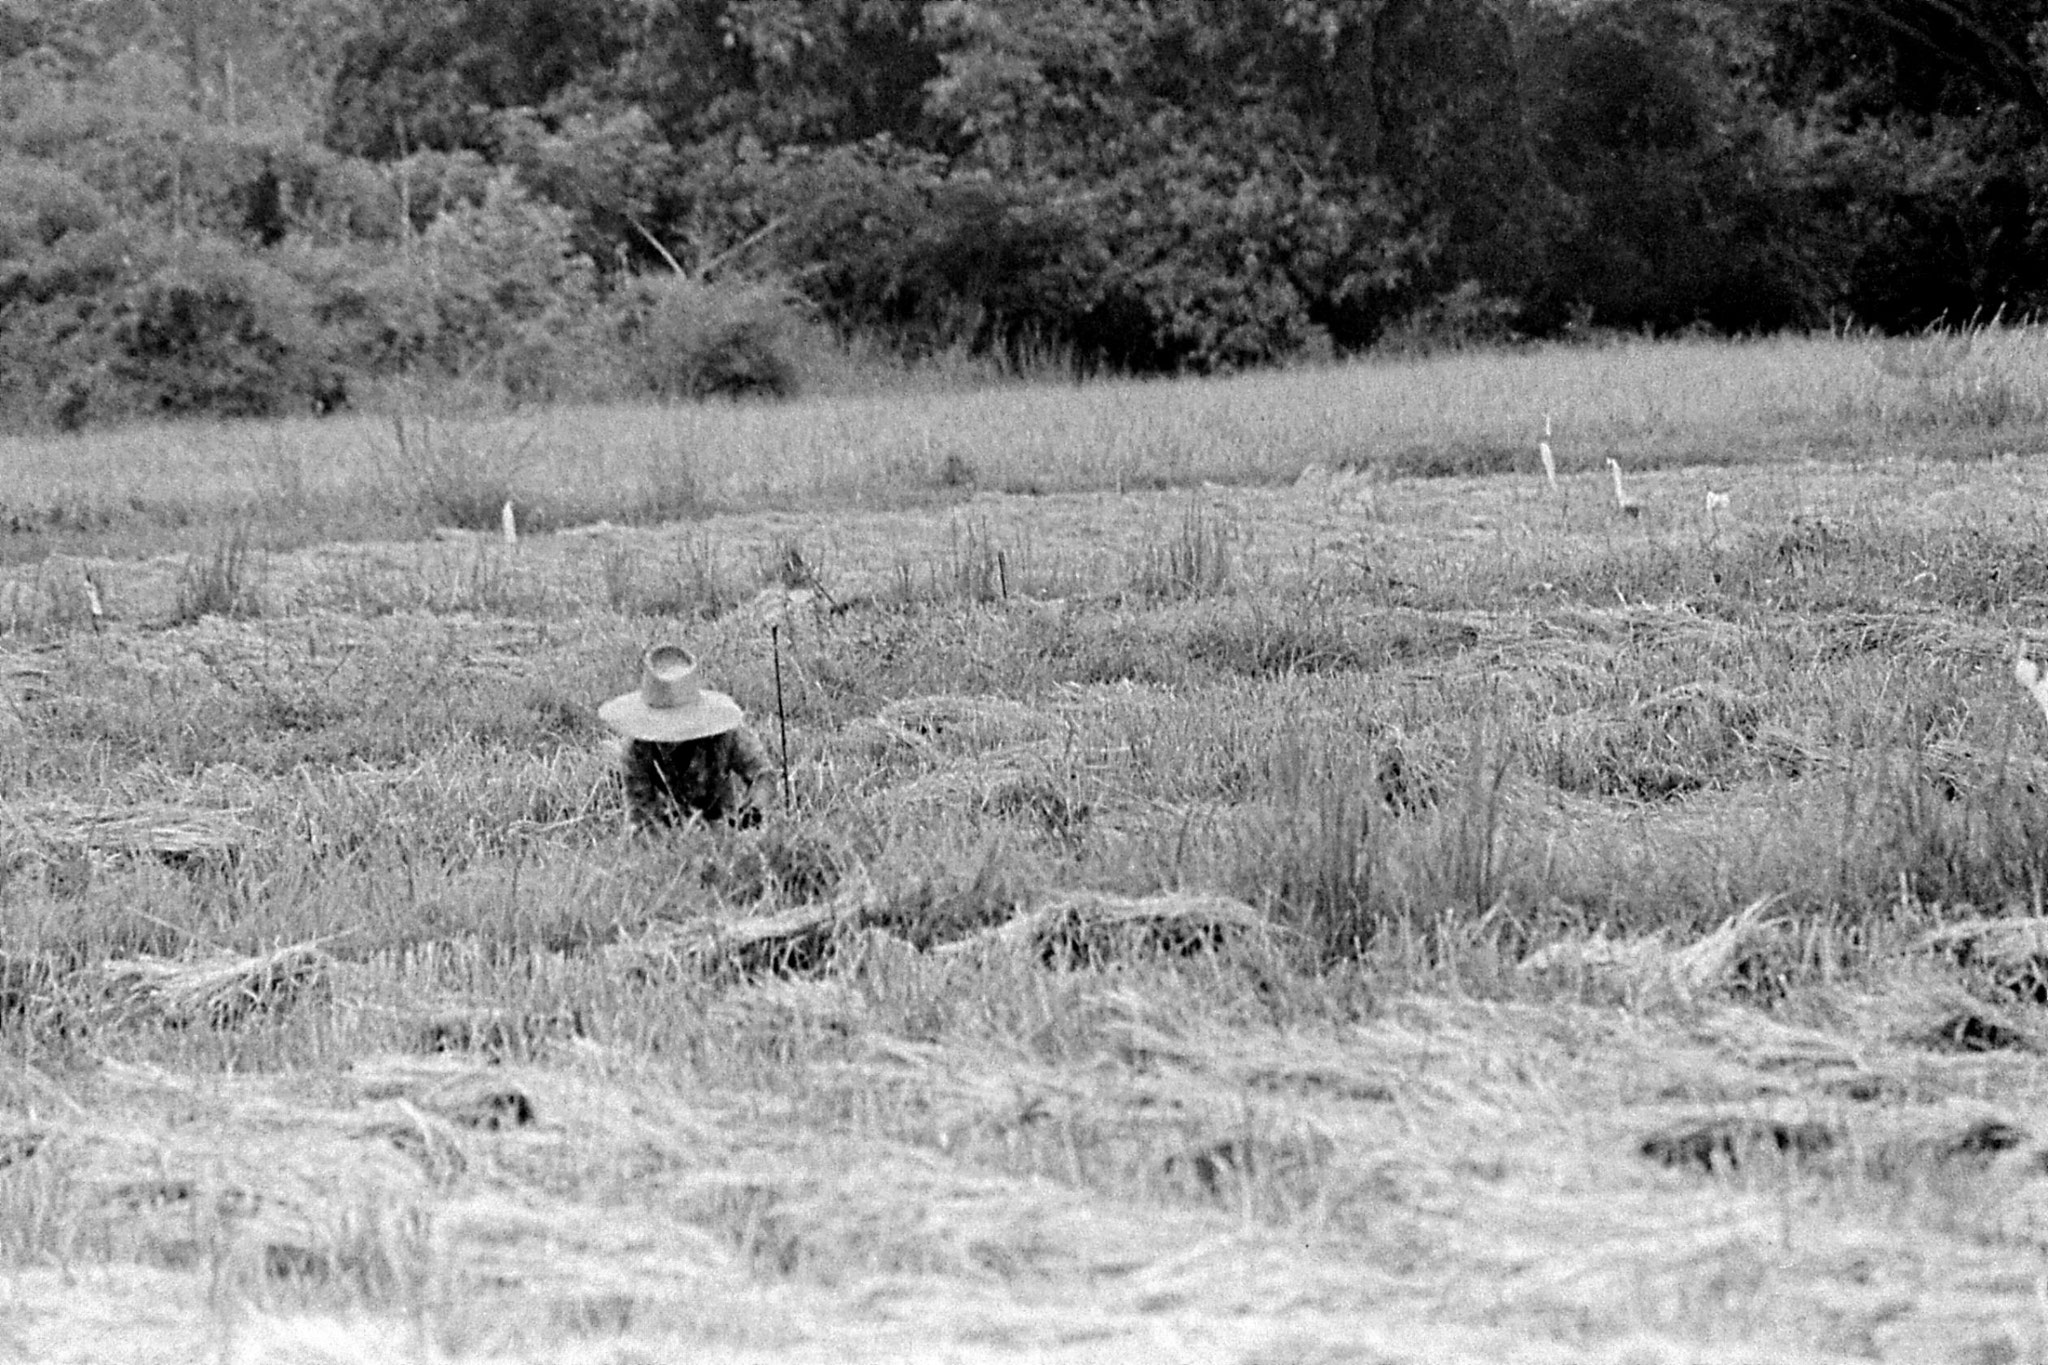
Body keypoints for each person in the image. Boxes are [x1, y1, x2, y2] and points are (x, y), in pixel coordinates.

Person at [599, 644, 775, 830]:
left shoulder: (724, 733)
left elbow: (764, 774)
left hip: (724, 828)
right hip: (667, 836)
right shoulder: (637, 749)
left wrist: (753, 808)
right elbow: (640, 817)